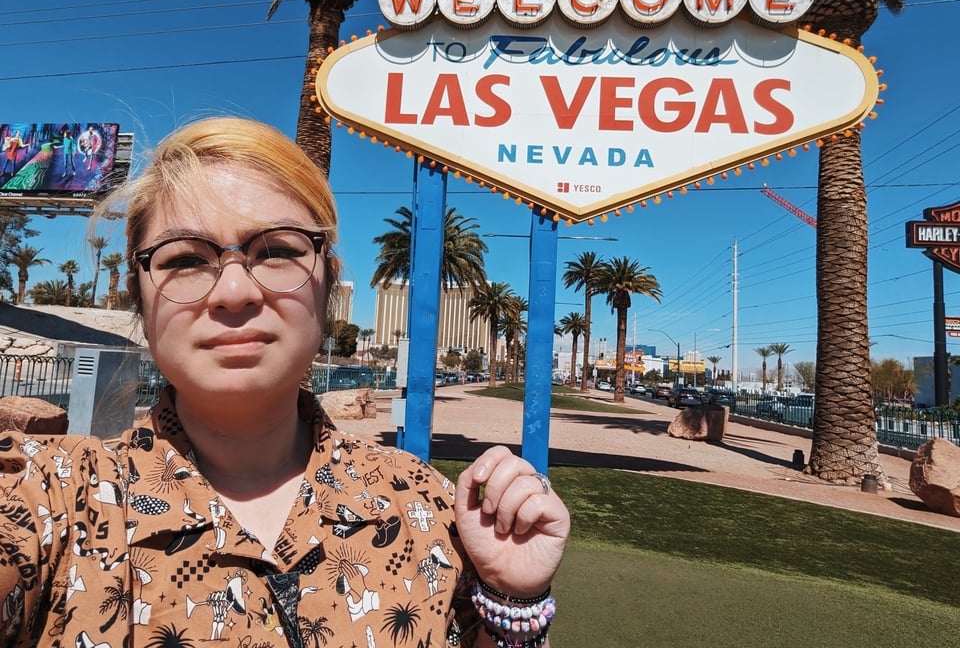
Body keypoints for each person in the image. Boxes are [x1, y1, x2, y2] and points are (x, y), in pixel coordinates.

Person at [0, 117, 570, 648]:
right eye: (185, 259)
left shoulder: (427, 504)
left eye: (275, 251)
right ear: (139, 299)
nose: (234, 292)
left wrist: (510, 599)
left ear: (327, 286)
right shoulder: (51, 496)